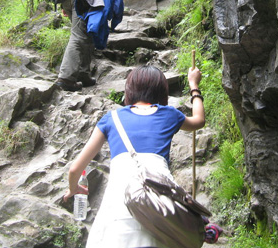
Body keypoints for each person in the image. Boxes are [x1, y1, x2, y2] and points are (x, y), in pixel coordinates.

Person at [63, 65, 209, 247]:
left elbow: (75, 169)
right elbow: (199, 120)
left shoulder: (111, 118)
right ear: (162, 92)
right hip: (157, 207)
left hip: (117, 208)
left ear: (129, 91)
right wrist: (193, 84)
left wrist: (73, 188)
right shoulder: (169, 115)